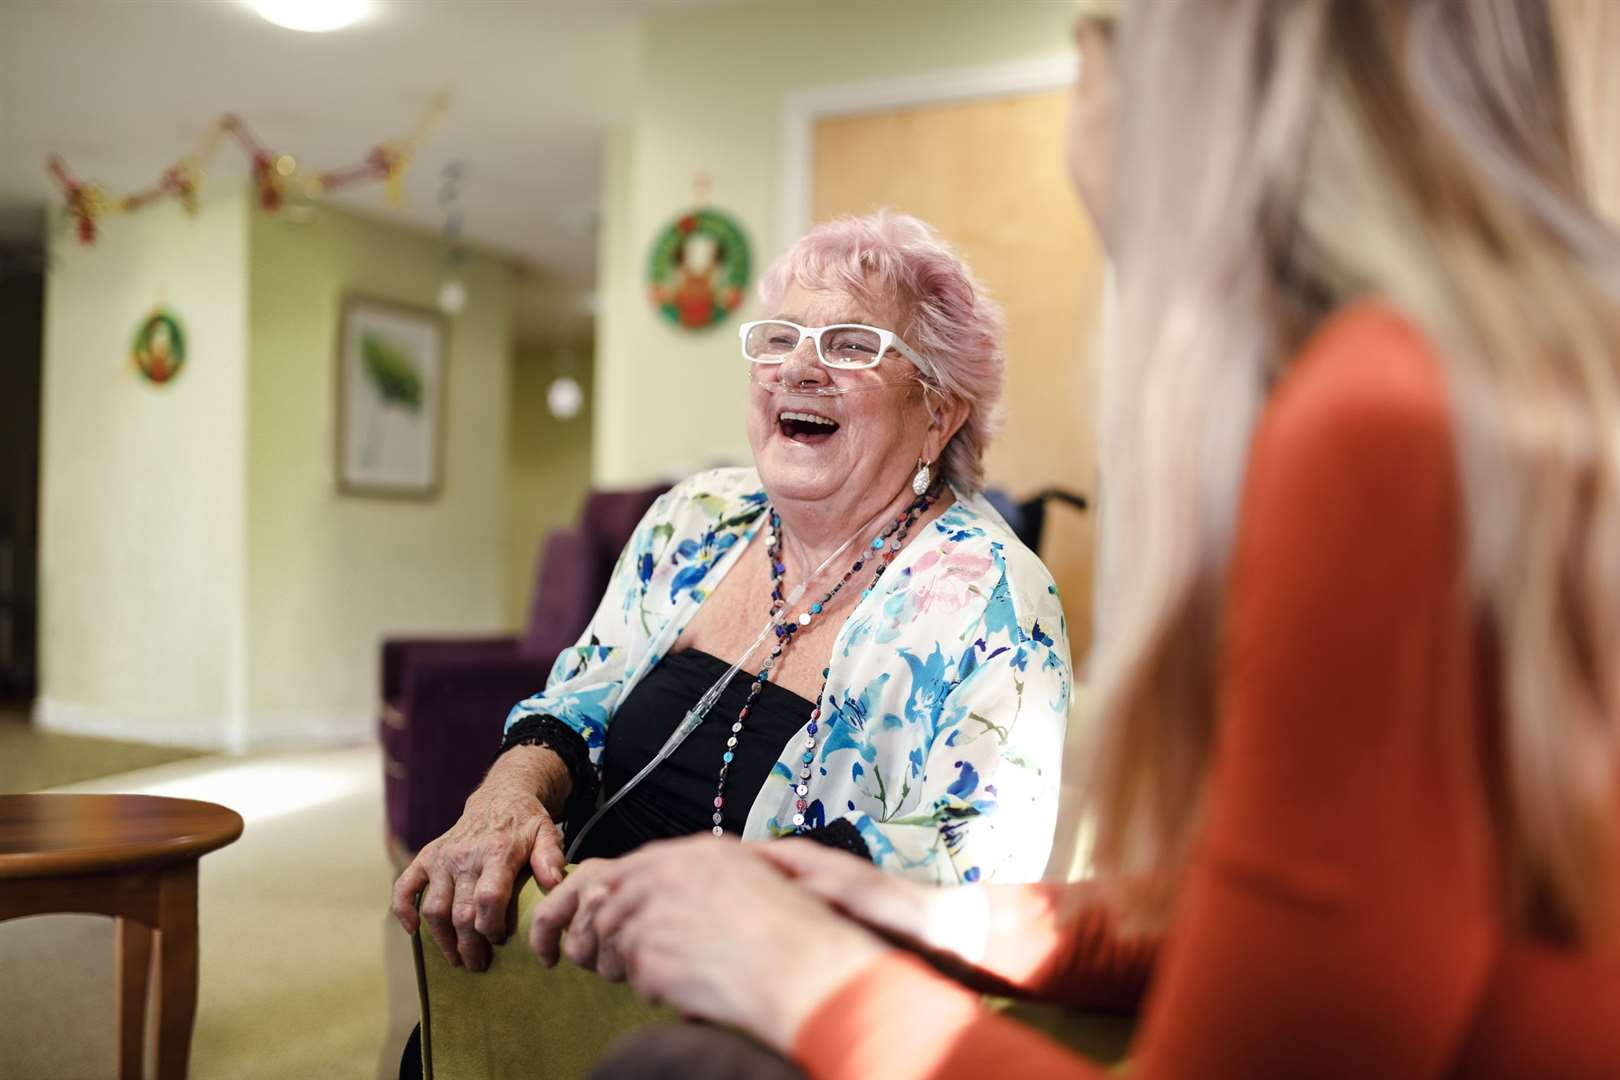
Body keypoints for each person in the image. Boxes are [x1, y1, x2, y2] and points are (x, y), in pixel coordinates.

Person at [532, 0, 1620, 1076]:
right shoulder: (1448, 389)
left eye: (1105, 32)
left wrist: (798, 973)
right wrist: (931, 917)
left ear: (1196, 86)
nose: (1086, 64)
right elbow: (1229, 922)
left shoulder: (1375, 422)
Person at [391, 210, 1073, 974]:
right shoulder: (697, 515)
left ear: (939, 413)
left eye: (852, 345)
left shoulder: (992, 593)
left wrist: (729, 885)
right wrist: (507, 795)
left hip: (762, 997)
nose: (799, 369)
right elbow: (580, 693)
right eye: (779, 339)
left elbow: (977, 860)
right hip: (570, 951)